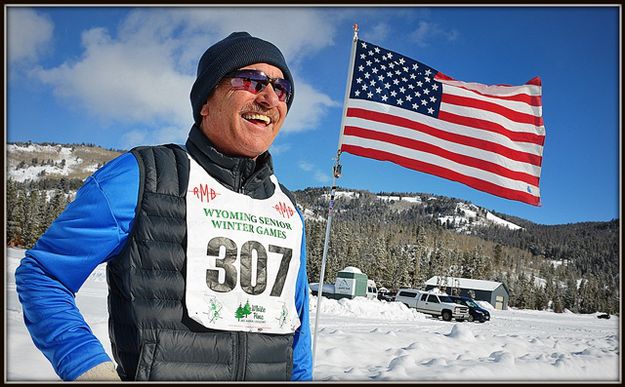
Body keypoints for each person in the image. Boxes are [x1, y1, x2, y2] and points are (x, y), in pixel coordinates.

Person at [15, 31, 312, 382]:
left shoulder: (286, 208)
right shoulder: (143, 176)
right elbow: (44, 276)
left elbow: (297, 327)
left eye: (281, 89)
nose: (268, 98)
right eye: (251, 80)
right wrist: (87, 367)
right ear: (205, 101)